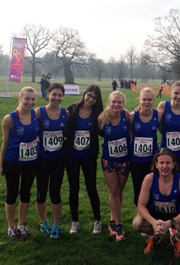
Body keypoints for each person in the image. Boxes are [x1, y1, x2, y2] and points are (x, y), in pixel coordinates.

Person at [132, 148, 180, 258]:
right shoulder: (149, 179)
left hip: (175, 217)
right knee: (137, 223)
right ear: (156, 164)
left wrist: (170, 223)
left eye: (168, 163)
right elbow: (141, 205)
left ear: (173, 164)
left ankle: (176, 238)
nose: (164, 166)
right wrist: (154, 222)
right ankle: (154, 236)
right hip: (155, 215)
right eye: (161, 163)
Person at [0, 86, 38, 240]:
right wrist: (1, 165)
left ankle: (21, 225)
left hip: (31, 162)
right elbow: (5, 142)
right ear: (19, 98)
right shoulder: (9, 119)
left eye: (33, 99)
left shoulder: (36, 115)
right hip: (12, 161)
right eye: (27, 98)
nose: (30, 102)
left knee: (26, 193)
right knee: (11, 194)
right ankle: (11, 227)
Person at [64, 85, 104, 234]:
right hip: (72, 157)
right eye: (88, 95)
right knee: (73, 189)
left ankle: (97, 221)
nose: (90, 99)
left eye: (94, 97)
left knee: (91, 188)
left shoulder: (98, 113)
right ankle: (75, 222)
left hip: (89, 157)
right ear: (84, 94)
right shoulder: (72, 109)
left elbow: (104, 131)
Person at [35, 82, 69, 239]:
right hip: (42, 159)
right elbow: (24, 122)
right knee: (41, 192)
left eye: (59, 95)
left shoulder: (66, 113)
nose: (56, 97)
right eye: (54, 94)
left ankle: (57, 224)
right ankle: (44, 222)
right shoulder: (39, 113)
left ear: (63, 96)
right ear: (48, 94)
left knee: (55, 192)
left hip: (58, 159)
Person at [98, 90, 130, 241]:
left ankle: (112, 220)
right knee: (114, 191)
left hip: (124, 159)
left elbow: (131, 131)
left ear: (123, 103)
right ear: (109, 102)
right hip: (109, 160)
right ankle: (118, 226)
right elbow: (98, 133)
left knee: (120, 191)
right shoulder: (102, 118)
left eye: (119, 102)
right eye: (113, 102)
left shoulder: (127, 116)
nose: (116, 105)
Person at [129, 87, 161, 206]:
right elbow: (127, 133)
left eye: (149, 99)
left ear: (154, 100)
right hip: (136, 160)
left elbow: (167, 129)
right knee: (138, 188)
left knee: (153, 188)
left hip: (152, 159)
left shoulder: (158, 115)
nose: (146, 102)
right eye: (144, 99)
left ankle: (152, 216)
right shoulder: (132, 116)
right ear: (139, 100)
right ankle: (141, 215)